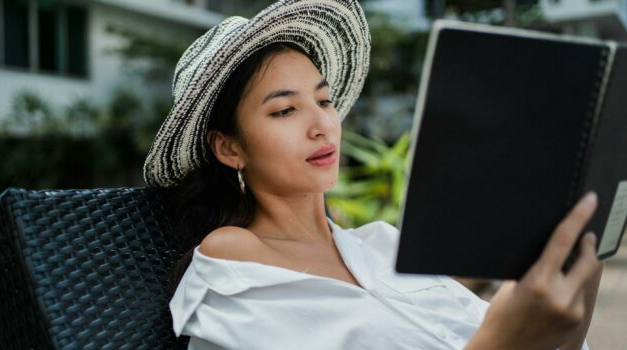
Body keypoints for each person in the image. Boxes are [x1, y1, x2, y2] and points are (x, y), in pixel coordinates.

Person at [142, 1, 603, 349]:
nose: (323, 124)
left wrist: (584, 257)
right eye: (284, 110)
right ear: (229, 147)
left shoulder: (382, 245)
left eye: (323, 101)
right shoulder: (233, 257)